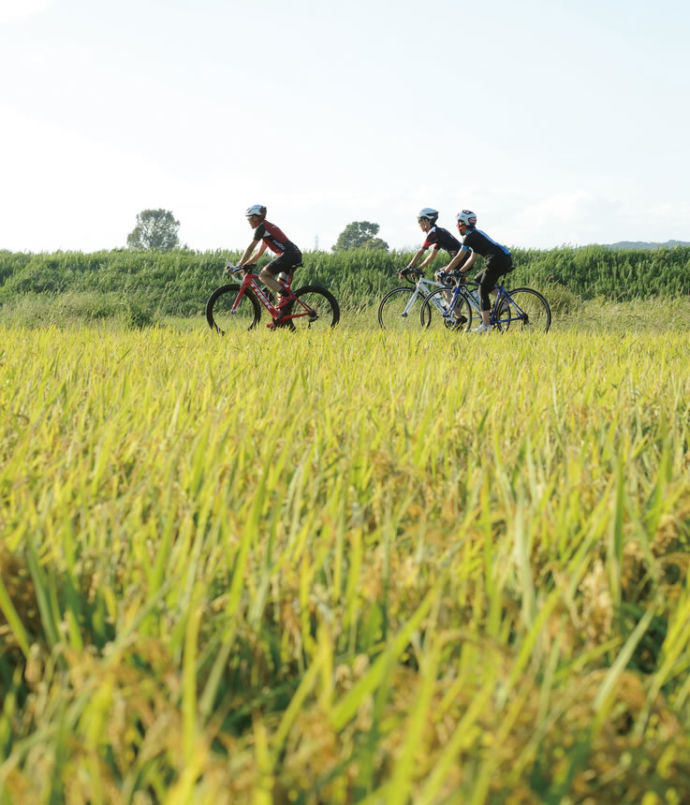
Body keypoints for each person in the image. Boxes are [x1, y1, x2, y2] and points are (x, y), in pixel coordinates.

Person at [232, 205, 303, 326]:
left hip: (289, 255)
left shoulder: (262, 227)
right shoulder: (266, 229)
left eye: (249, 218)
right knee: (280, 288)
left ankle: (288, 297)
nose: (248, 221)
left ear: (255, 217)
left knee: (263, 275)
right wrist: (244, 265)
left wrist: (238, 265)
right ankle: (282, 320)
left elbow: (250, 248)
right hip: (292, 254)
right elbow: (258, 254)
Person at [446, 210, 513, 333]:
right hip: (502, 258)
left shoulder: (469, 237)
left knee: (482, 290)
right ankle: (505, 300)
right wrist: (459, 271)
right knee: (478, 279)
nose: (457, 226)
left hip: (496, 260)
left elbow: (459, 257)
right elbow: (472, 258)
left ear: (463, 223)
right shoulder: (475, 234)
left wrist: (446, 271)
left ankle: (486, 325)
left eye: (458, 223)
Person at [402, 208, 471, 323]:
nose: (419, 224)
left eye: (419, 221)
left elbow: (421, 251)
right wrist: (419, 268)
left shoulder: (433, 232)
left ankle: (458, 316)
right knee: (445, 283)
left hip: (461, 259)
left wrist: (409, 267)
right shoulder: (438, 232)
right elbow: (431, 256)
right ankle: (456, 312)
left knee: (440, 277)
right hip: (463, 258)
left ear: (426, 221)